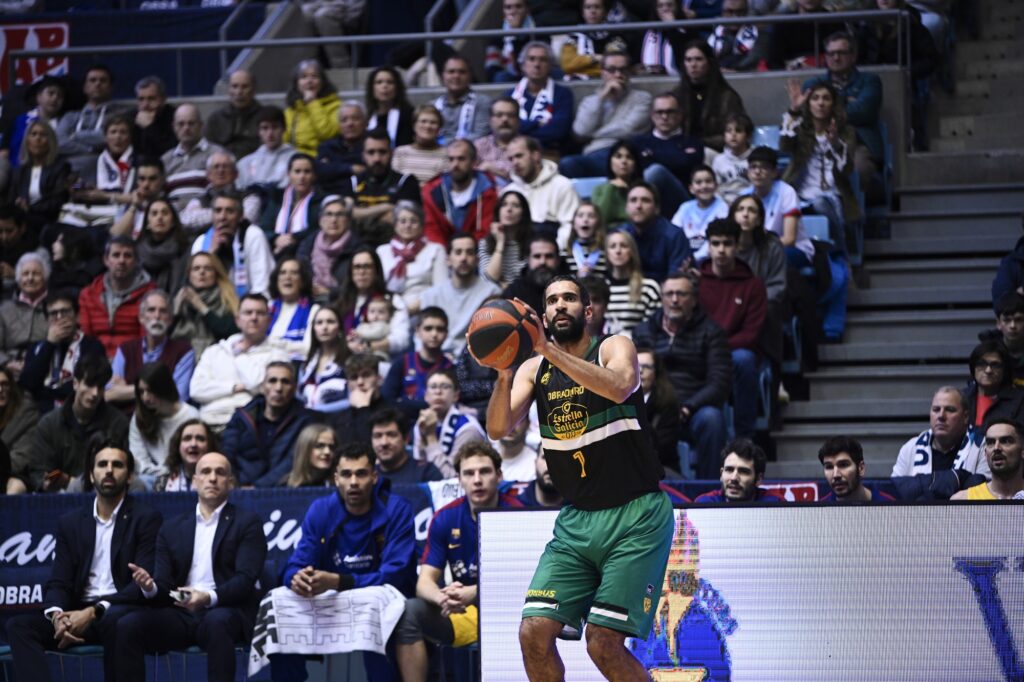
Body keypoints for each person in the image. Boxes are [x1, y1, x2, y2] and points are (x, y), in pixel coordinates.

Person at [485, 274, 673, 680]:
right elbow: (499, 428)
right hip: (577, 521)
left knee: (602, 642)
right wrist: (503, 371)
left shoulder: (612, 346)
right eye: (551, 301)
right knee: (533, 632)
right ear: (544, 313)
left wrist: (547, 350)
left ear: (587, 310)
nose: (559, 306)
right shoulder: (533, 370)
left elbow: (621, 386)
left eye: (569, 298)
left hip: (636, 515)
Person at [4, 442, 161, 682]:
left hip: (117, 611)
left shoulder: (146, 518)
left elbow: (139, 587)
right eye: (102, 465)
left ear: (129, 477)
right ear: (91, 474)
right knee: (19, 626)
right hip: (77, 614)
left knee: (121, 623)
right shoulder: (72, 522)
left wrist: (94, 611)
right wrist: (58, 617)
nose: (109, 470)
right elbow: (59, 581)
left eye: (117, 465)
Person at [115, 452, 267, 682]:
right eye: (205, 472)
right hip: (181, 613)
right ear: (195, 481)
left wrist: (207, 597)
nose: (212, 478)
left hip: (225, 610)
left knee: (217, 623)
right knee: (128, 625)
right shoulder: (172, 528)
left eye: (220, 472)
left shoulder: (248, 522)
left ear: (231, 483)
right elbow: (164, 584)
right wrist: (151, 588)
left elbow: (245, 580)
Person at [272, 442, 416, 681]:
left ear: (374, 476)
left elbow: (395, 575)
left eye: (361, 474)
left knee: (379, 609)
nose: (353, 482)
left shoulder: (396, 509)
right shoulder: (321, 509)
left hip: (379, 603)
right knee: (282, 604)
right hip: (334, 601)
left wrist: (340, 581)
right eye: (347, 474)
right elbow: (298, 561)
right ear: (336, 478)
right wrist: (296, 578)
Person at [395, 443, 522, 681]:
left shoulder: (518, 512)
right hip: (461, 611)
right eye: (469, 473)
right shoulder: (445, 517)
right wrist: (443, 597)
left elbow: (524, 582)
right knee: (410, 611)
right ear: (459, 480)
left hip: (508, 615)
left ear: (499, 475)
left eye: (484, 471)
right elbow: (425, 582)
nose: (477, 480)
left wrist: (474, 593)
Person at [631, 272, 731, 479]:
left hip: (692, 410)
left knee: (712, 419)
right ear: (661, 298)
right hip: (653, 408)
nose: (674, 300)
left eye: (681, 294)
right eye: (669, 294)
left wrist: (688, 407)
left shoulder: (712, 332)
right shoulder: (644, 331)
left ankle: (709, 489)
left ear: (694, 300)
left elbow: (719, 382)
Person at [698, 218, 766, 438]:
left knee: (744, 359)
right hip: (701, 350)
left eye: (727, 244)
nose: (721, 250)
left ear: (736, 246)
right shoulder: (696, 282)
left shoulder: (753, 285)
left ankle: (745, 436)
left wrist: (718, 349)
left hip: (734, 351)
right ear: (708, 246)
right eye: (716, 243)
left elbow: (751, 333)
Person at [24, 354, 129, 492]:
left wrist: (70, 481)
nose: (95, 393)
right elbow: (37, 472)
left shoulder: (118, 422)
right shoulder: (49, 424)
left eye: (101, 387)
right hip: (57, 499)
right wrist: (45, 482)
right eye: (89, 385)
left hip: (105, 493)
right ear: (75, 383)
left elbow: (123, 469)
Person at [781, 79, 860, 253]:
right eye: (815, 98)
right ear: (808, 104)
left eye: (826, 98)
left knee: (821, 204)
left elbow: (846, 170)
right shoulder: (800, 129)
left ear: (833, 103)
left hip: (833, 193)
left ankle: (842, 253)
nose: (821, 103)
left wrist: (835, 144)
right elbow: (785, 146)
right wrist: (793, 110)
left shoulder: (846, 132)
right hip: (800, 193)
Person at [189, 293, 290, 428]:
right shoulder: (215, 351)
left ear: (269, 320)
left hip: (250, 425)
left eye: (260, 313)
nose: (254, 318)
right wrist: (234, 387)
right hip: (209, 422)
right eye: (248, 313)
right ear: (237, 320)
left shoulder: (278, 354)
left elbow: (256, 385)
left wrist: (240, 354)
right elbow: (196, 390)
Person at [222, 360, 320, 487]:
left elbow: (294, 461)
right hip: (239, 489)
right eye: (272, 381)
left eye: (285, 382)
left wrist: (258, 488)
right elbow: (227, 454)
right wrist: (233, 483)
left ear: (295, 388)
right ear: (263, 387)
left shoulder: (306, 421)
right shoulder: (241, 417)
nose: (278, 388)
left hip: (284, 491)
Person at [559, 50, 652, 179]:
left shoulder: (642, 98)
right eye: (612, 70)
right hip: (595, 154)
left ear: (630, 72)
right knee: (567, 164)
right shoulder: (590, 101)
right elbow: (580, 131)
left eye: (623, 70)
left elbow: (628, 130)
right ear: (602, 73)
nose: (618, 75)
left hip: (626, 154)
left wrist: (593, 135)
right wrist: (601, 99)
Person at [891, 386, 990, 501]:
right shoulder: (910, 448)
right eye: (936, 409)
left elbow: (985, 494)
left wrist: (921, 486)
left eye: (950, 410)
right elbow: (895, 492)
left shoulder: (982, 446)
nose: (941, 416)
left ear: (965, 417)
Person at [802, 31, 884, 168]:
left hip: (858, 142)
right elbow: (809, 115)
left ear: (853, 56)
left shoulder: (870, 81)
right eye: (831, 53)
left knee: (859, 168)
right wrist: (847, 101)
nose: (836, 58)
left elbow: (864, 113)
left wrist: (828, 108)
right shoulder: (812, 84)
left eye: (841, 53)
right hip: (820, 141)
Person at [18, 290, 105, 414]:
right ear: (47, 320)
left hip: (78, 410)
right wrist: (50, 344)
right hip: (39, 413)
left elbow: (84, 385)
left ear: (77, 316)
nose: (59, 318)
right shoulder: (37, 348)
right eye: (53, 314)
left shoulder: (92, 346)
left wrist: (45, 392)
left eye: (65, 312)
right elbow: (27, 384)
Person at [108, 288, 195, 406]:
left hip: (165, 420)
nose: (157, 316)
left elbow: (179, 398)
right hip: (125, 419)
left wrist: (128, 391)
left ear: (170, 319)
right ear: (141, 318)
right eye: (151, 310)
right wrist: (162, 390)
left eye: (163, 311)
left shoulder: (183, 351)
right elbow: (109, 394)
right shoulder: (126, 350)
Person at [418, 234, 502, 355]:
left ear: (477, 259)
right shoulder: (431, 296)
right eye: (458, 252)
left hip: (474, 358)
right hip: (436, 358)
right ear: (448, 260)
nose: (463, 258)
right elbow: (421, 337)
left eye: (469, 252)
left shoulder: (492, 292)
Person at [78, 235, 156, 358]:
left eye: (127, 256)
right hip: (96, 362)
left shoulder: (150, 295)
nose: (121, 261)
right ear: (106, 260)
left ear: (136, 261)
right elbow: (87, 337)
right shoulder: (88, 294)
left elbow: (146, 340)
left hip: (132, 360)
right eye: (116, 255)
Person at [732, 193, 788, 366]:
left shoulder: (772, 245)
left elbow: (778, 286)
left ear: (759, 219)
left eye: (752, 210)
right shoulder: (724, 245)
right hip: (730, 304)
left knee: (768, 312)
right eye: (740, 209)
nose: (746, 214)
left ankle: (770, 369)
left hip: (762, 305)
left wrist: (751, 303)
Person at [631, 92, 704, 218]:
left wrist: (651, 157)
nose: (664, 117)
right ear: (652, 116)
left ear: (680, 115)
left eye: (670, 112)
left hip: (683, 202)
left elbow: (687, 164)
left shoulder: (693, 142)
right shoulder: (638, 143)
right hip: (644, 200)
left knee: (655, 172)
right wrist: (676, 157)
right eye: (659, 112)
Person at [190, 190, 275, 297]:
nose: (222, 217)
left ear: (241, 216)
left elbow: (262, 286)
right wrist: (211, 255)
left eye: (229, 211)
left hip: (249, 308)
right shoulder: (201, 242)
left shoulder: (253, 235)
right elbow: (195, 288)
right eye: (218, 211)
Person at [741, 146, 814, 270]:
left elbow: (789, 239)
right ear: (748, 172)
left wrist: (757, 249)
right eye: (753, 167)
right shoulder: (743, 195)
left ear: (774, 172)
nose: (758, 171)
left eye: (764, 167)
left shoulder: (786, 192)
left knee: (768, 258)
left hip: (793, 249)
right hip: (757, 249)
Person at [345, 128, 422, 247]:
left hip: (396, 247)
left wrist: (362, 215)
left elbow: (405, 220)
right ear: (363, 155)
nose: (377, 159)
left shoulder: (406, 181)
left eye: (382, 152)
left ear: (391, 153)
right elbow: (349, 215)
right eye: (371, 152)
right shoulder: (353, 182)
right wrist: (387, 207)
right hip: (357, 248)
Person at [128, 362, 200, 485]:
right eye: (141, 392)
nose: (145, 397)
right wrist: (158, 474)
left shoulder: (190, 416)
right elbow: (138, 459)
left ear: (163, 388)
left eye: (150, 391)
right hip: (149, 478)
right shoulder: (139, 417)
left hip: (182, 478)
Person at [422, 139, 500, 247]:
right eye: (451, 159)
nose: (455, 164)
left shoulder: (488, 192)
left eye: (461, 159)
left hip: (476, 254)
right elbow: (431, 230)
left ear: (474, 162)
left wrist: (466, 254)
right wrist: (446, 255)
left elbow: (484, 232)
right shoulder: (431, 191)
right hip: (441, 253)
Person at [335, 247, 411, 356]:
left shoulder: (393, 300)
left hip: (378, 360)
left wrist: (369, 346)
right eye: (357, 267)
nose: (362, 271)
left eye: (367, 266)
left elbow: (401, 339)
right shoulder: (340, 302)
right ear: (350, 272)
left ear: (376, 271)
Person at [504, 135, 580, 244]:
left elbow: (570, 226)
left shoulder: (562, 185)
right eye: (511, 159)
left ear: (536, 156)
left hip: (552, 253)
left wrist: (553, 252)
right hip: (517, 255)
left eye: (519, 156)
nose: (514, 163)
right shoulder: (508, 192)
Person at [673, 39, 747, 151]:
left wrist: (700, 144)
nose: (693, 65)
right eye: (688, 60)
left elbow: (735, 134)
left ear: (709, 62)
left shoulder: (727, 97)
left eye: (699, 59)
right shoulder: (676, 96)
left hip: (715, 152)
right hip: (681, 151)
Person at [413, 367, 486, 478]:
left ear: (456, 395)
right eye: (433, 387)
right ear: (426, 396)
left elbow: (452, 477)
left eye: (445, 387)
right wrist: (423, 438)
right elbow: (418, 467)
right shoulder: (422, 422)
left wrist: (431, 437)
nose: (438, 392)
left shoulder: (468, 428)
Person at [56, 64, 122, 184]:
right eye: (92, 80)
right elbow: (59, 142)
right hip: (67, 177)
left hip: (101, 178)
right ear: (85, 87)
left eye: (103, 81)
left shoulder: (119, 115)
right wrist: (90, 148)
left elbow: (106, 138)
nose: (97, 84)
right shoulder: (70, 117)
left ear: (111, 87)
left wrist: (76, 136)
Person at [382, 306, 453, 414]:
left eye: (440, 329)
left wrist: (405, 403)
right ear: (417, 331)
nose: (434, 334)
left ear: (446, 334)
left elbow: (450, 405)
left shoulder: (451, 368)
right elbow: (388, 400)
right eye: (428, 328)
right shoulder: (401, 363)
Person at [379, 200, 448, 311]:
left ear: (421, 225)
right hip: (387, 310)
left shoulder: (435, 250)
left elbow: (441, 289)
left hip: (422, 310)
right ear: (395, 225)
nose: (408, 225)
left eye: (413, 221)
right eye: (403, 221)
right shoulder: (382, 251)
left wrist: (408, 310)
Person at [507, 41, 574, 153]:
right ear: (523, 65)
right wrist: (538, 123)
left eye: (542, 60)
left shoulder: (563, 94)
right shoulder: (510, 95)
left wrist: (521, 127)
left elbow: (558, 131)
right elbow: (506, 129)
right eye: (531, 59)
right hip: (513, 153)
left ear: (551, 66)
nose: (537, 65)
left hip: (549, 151)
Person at [170, 251, 240, 359]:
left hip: (217, 359)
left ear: (216, 274)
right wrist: (175, 312)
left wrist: (202, 308)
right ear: (189, 274)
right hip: (181, 360)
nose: (201, 272)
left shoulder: (228, 300)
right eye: (196, 268)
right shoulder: (179, 300)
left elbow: (229, 332)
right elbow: (165, 337)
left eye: (207, 268)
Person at [297, 194, 364, 301]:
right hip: (309, 299)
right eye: (328, 214)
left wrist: (331, 292)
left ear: (348, 220)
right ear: (320, 220)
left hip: (344, 301)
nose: (333, 220)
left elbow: (361, 286)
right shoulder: (307, 245)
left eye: (340, 215)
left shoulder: (359, 250)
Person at [7, 120, 70, 232]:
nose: (38, 139)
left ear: (50, 141)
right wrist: (18, 204)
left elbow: (58, 199)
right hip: (20, 221)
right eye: (34, 134)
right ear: (27, 141)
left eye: (43, 135)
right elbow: (12, 198)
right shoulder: (19, 170)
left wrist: (29, 208)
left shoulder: (62, 167)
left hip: (49, 221)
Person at [621, 182, 692, 282]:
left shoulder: (674, 236)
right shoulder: (620, 235)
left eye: (645, 201)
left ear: (657, 209)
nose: (638, 206)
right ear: (626, 208)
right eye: (633, 200)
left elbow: (676, 280)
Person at [162, 103, 225, 207]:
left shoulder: (217, 154)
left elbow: (224, 192)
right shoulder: (166, 160)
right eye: (181, 124)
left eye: (191, 123)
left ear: (201, 125)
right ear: (174, 127)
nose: (186, 128)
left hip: (207, 215)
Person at [260, 153, 322, 258]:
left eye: (307, 172)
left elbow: (318, 230)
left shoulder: (320, 200)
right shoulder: (277, 198)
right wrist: (276, 238)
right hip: (275, 250)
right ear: (289, 174)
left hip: (306, 253)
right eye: (297, 171)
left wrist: (293, 238)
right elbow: (264, 228)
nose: (302, 177)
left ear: (314, 176)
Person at [69, 113, 135, 207]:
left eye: (123, 132)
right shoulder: (92, 163)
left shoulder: (139, 163)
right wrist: (77, 186)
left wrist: (105, 196)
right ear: (105, 137)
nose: (118, 137)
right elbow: (76, 186)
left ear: (130, 137)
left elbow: (142, 197)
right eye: (113, 132)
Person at [0, 250, 49, 374]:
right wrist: (7, 363)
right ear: (18, 279)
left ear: (45, 277)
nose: (30, 278)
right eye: (25, 274)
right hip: (9, 368)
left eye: (36, 273)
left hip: (45, 366)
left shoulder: (53, 306)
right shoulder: (4, 309)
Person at [604, 230, 662, 334]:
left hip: (638, 346)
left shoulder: (649, 288)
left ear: (632, 251)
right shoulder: (601, 287)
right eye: (613, 246)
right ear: (607, 253)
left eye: (623, 246)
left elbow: (654, 327)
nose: (618, 251)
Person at [951, 419, 1024, 501]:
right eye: (990, 442)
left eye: (1005, 441)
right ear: (985, 454)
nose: (996, 448)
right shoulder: (963, 500)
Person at [3, 75, 67, 168]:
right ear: (39, 97)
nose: (55, 98)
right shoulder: (18, 120)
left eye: (60, 96)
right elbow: (4, 151)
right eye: (51, 93)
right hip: (14, 172)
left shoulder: (63, 124)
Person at [637, 347, 682, 475]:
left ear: (656, 372)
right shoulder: (618, 399)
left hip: (662, 467)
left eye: (646, 367)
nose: (640, 371)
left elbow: (664, 448)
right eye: (636, 365)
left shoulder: (668, 403)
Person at [671, 164, 730, 262]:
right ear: (691, 188)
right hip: (684, 256)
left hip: (709, 258)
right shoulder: (685, 207)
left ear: (716, 185)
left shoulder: (722, 207)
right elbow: (673, 233)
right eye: (698, 182)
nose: (704, 186)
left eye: (708, 181)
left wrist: (694, 259)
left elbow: (718, 239)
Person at [327, 353, 389, 444]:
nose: (360, 382)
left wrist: (362, 409)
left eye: (366, 375)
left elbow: (374, 447)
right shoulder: (338, 420)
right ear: (348, 384)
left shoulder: (392, 412)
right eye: (354, 377)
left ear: (379, 378)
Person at [693, 438, 782, 502]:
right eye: (729, 470)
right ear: (721, 474)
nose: (734, 478)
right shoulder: (705, 504)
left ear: (758, 479)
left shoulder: (774, 504)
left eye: (743, 472)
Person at [267, 257, 321, 361]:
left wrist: (276, 343)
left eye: (294, 273)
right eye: (282, 273)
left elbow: (308, 348)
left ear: (302, 281)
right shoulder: (268, 307)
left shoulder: (313, 310)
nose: (287, 277)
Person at [965, 341, 1024, 436]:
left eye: (995, 365)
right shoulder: (961, 398)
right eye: (982, 364)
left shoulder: (1020, 401)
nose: (988, 370)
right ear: (973, 367)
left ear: (1004, 370)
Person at [371, 408, 444, 484]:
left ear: (406, 439)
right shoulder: (367, 476)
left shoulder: (427, 472)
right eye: (377, 436)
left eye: (391, 435)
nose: (384, 443)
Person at [503, 233, 571, 316]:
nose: (543, 262)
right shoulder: (514, 292)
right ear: (528, 259)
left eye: (549, 256)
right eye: (537, 256)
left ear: (558, 259)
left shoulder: (571, 289)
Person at [284, 60, 341, 157]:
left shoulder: (336, 106)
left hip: (322, 159)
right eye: (303, 77)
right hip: (294, 160)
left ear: (322, 82)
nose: (309, 81)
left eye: (314, 76)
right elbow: (284, 142)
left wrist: (312, 103)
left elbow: (327, 135)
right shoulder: (291, 110)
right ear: (297, 83)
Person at [559, 0, 626, 80]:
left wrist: (581, 66)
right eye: (588, 7)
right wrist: (595, 58)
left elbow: (614, 66)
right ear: (583, 13)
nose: (592, 11)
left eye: (597, 7)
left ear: (604, 12)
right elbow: (568, 66)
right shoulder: (572, 38)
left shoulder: (615, 37)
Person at [204, 69, 263, 159]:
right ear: (229, 90)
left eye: (244, 87)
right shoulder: (215, 119)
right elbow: (206, 150)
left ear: (253, 90)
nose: (239, 92)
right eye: (235, 86)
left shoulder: (264, 117)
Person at [135, 198, 191, 293]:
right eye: (154, 213)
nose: (160, 217)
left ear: (173, 221)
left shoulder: (185, 249)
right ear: (147, 223)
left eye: (164, 213)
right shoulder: (136, 251)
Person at [818, 435, 894, 502]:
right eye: (829, 467)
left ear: (861, 468)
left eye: (843, 465)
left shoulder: (890, 506)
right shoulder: (818, 511)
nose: (835, 475)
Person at [479, 189, 531, 286]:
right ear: (498, 210)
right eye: (504, 205)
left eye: (515, 205)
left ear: (523, 213)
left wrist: (506, 287)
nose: (509, 209)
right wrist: (500, 243)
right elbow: (489, 279)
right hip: (494, 297)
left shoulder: (532, 243)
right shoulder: (486, 243)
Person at [435, 55, 492, 143]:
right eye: (451, 71)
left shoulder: (483, 102)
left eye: (462, 72)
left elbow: (481, 136)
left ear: (470, 76)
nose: (456, 76)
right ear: (443, 76)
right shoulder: (433, 105)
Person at [0, 366, 40, 494]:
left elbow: (20, 459)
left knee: (15, 486)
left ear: (11, 387)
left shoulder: (27, 415)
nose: (0, 390)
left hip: (16, 475)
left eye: (4, 384)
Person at [313, 100, 367, 194]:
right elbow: (320, 170)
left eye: (355, 119)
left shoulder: (372, 146)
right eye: (344, 120)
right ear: (339, 125)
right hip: (330, 196)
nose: (349, 124)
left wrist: (333, 167)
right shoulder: (327, 147)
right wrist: (350, 168)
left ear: (365, 122)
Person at [237, 105, 295, 191]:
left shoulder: (295, 159)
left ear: (284, 129)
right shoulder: (245, 163)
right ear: (258, 131)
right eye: (265, 128)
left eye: (275, 127)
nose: (270, 134)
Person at [590, 140, 644, 230]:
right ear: (610, 161)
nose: (624, 161)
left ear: (636, 164)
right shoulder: (599, 189)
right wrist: (611, 187)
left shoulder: (642, 190)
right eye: (618, 156)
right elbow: (600, 219)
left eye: (629, 157)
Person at [109, 157, 167, 240]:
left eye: (152, 179)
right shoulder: (127, 207)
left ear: (162, 179)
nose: (146, 184)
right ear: (137, 181)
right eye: (142, 179)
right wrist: (134, 206)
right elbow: (116, 237)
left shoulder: (169, 207)